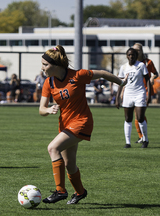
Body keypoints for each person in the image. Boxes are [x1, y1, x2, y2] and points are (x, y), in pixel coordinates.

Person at [39, 45, 128, 205]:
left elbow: (102, 74)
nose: (42, 67)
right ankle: (80, 192)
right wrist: (48, 110)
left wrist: (120, 82)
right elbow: (41, 109)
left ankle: (60, 191)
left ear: (56, 65)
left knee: (52, 148)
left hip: (82, 121)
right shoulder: (49, 83)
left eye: (45, 64)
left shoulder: (77, 75)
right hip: (65, 124)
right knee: (69, 163)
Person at [115, 47, 150, 148]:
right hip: (128, 94)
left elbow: (147, 79)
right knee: (128, 118)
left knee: (140, 118)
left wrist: (148, 95)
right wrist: (117, 98)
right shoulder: (124, 67)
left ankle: (145, 139)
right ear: (127, 56)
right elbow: (120, 83)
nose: (131, 56)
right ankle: (128, 142)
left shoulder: (141, 65)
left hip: (140, 93)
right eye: (129, 55)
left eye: (133, 55)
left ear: (136, 56)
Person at [132, 43, 158, 144]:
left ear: (141, 51)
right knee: (137, 115)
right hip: (134, 90)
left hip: (145, 90)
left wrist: (152, 78)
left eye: (138, 50)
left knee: (140, 114)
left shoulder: (148, 62)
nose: (136, 52)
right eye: (134, 50)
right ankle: (141, 136)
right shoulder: (132, 63)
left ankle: (143, 137)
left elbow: (156, 73)